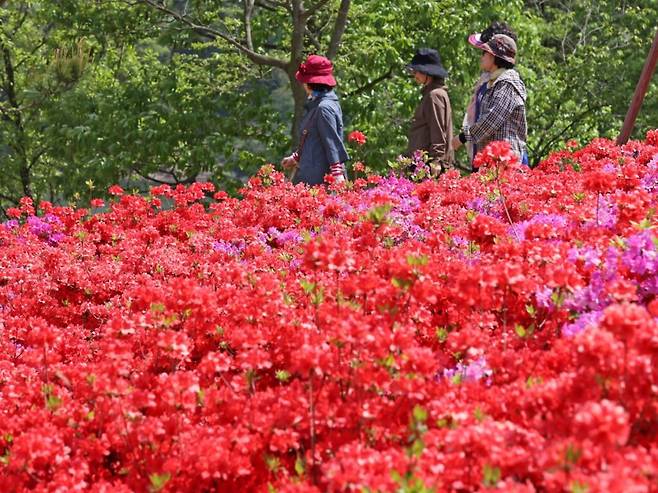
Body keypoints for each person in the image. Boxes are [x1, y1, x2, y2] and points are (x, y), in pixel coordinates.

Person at [453, 33, 528, 168]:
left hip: (505, 162)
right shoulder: (495, 81)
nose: (481, 57)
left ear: (494, 56)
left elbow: (491, 120)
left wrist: (463, 137)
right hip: (493, 162)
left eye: (484, 53)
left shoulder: (507, 83)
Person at [281, 54, 349, 185]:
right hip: (312, 173)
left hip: (320, 180)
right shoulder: (321, 104)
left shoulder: (324, 108)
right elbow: (313, 138)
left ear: (310, 84)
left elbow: (331, 142)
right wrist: (296, 157)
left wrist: (337, 175)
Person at [406, 48, 454, 174]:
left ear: (428, 72)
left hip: (431, 168)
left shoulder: (435, 95)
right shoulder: (433, 94)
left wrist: (437, 161)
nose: (414, 74)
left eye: (417, 70)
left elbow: (438, 129)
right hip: (424, 165)